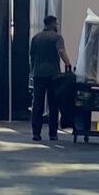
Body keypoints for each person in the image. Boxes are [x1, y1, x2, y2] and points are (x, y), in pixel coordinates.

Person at [29, 12, 69, 142]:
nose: (57, 26)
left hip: (38, 74)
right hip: (53, 75)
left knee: (37, 105)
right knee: (53, 105)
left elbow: (32, 56)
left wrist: (33, 70)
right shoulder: (57, 38)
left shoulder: (36, 38)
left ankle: (36, 133)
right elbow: (61, 51)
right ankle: (53, 134)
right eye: (56, 23)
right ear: (52, 24)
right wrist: (68, 64)